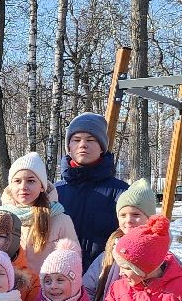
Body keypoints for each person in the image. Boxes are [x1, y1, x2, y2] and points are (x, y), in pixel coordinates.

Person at [52, 113, 126, 267]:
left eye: (91, 140)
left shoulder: (122, 193)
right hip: (58, 281)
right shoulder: (54, 192)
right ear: (69, 148)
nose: (83, 145)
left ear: (102, 148)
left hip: (104, 280)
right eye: (76, 140)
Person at [0, 152, 80, 278]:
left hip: (47, 293)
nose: (23, 186)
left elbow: (73, 262)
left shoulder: (60, 220)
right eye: (17, 181)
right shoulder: (0, 219)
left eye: (31, 181)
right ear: (10, 186)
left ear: (42, 186)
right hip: (9, 293)